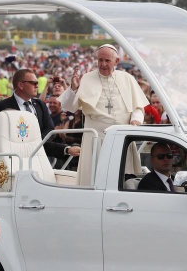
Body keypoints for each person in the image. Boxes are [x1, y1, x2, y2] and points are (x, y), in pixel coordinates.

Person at [60, 44, 149, 184]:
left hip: (122, 137)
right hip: (96, 139)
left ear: (116, 61)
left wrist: (135, 121)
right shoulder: (87, 78)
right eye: (100, 60)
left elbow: (138, 108)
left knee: (124, 182)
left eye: (107, 60)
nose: (103, 64)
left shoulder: (127, 79)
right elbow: (68, 106)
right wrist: (74, 89)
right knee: (95, 181)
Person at [0, 69, 80, 160]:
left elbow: (50, 130)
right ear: (20, 85)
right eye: (33, 83)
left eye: (37, 83)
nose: (37, 86)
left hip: (40, 157)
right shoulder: (1, 107)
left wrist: (36, 143)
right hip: (13, 159)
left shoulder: (40, 105)